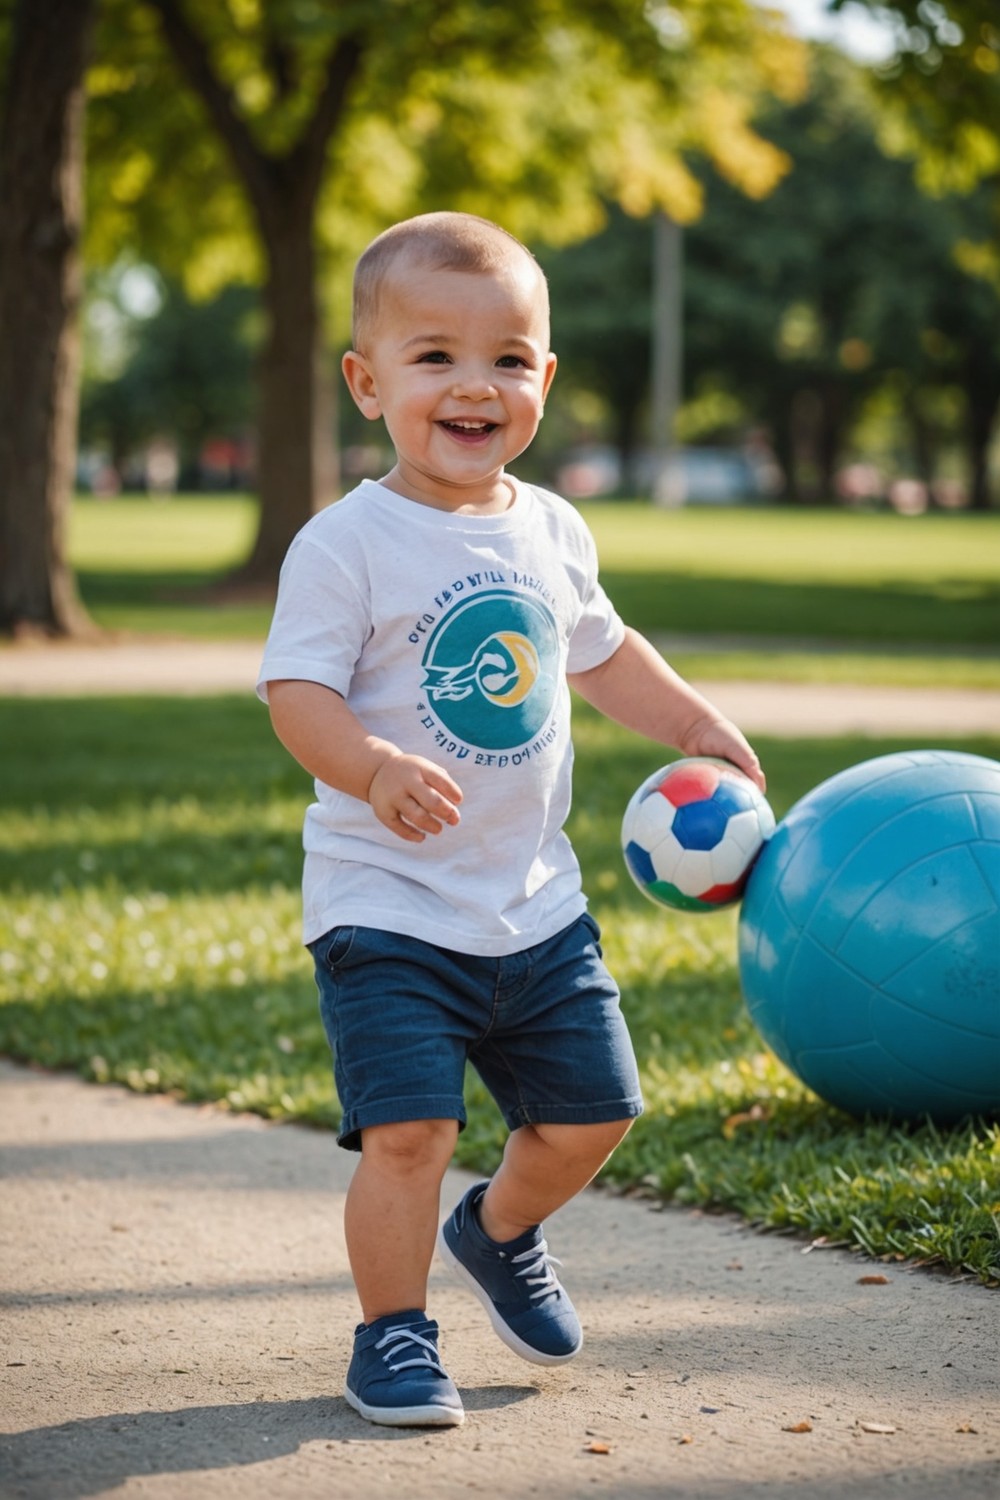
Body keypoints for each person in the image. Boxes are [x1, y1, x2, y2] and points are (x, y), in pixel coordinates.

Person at [257, 210, 765, 1430]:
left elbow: (601, 649)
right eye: (432, 356)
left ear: (543, 377)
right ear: (366, 381)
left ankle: (497, 1233)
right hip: (388, 908)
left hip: (535, 904)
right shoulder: (347, 544)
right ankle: (393, 1335)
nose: (472, 384)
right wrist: (371, 766)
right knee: (409, 1134)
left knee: (595, 1115)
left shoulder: (550, 527)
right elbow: (297, 693)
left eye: (506, 356)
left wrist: (695, 728)